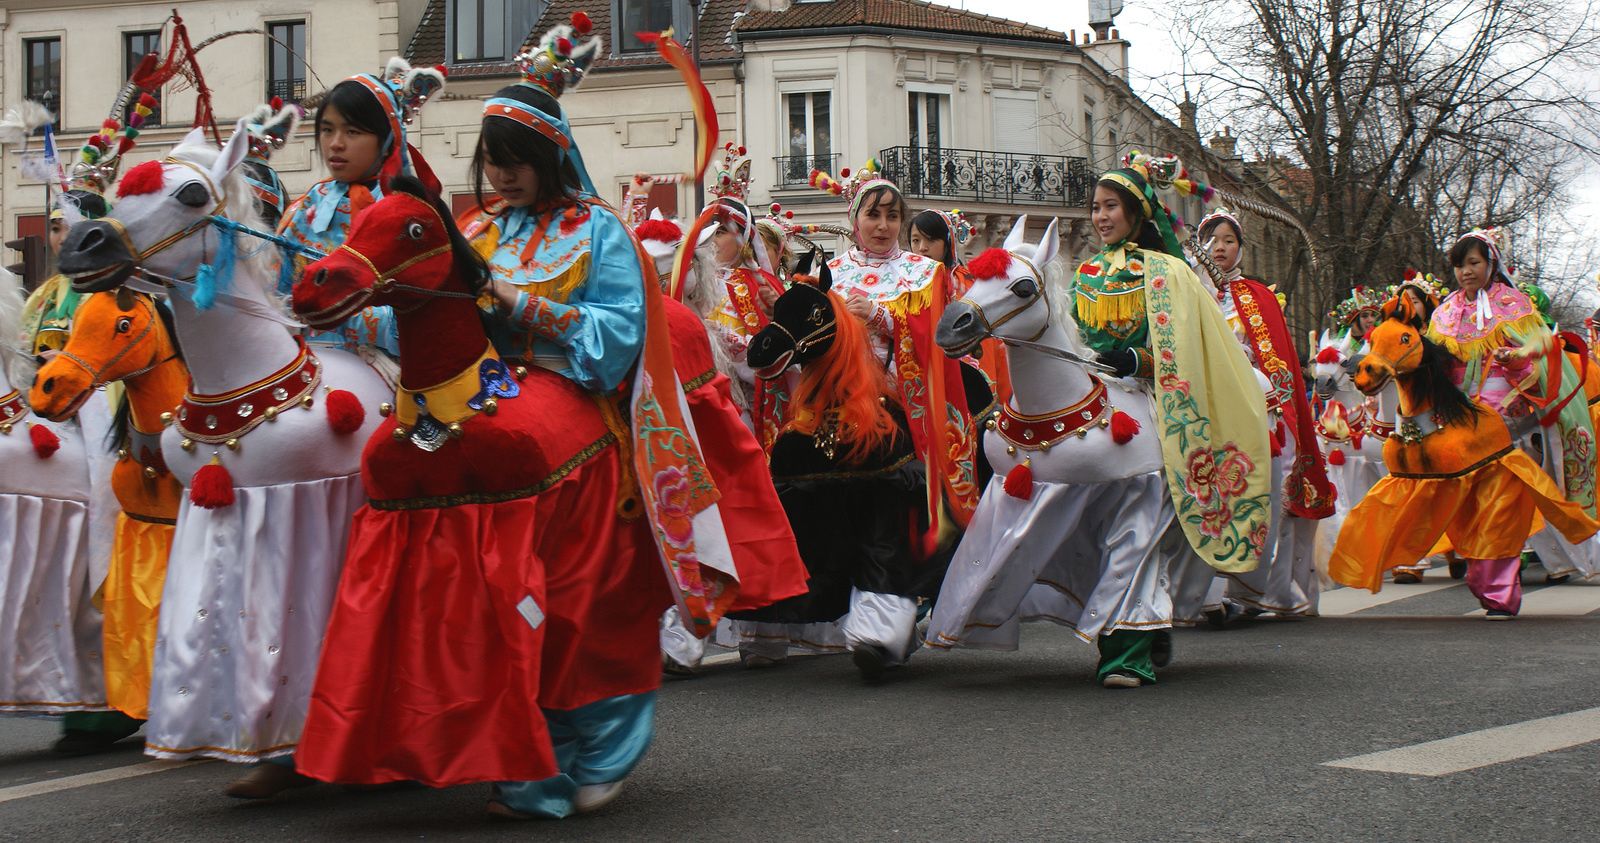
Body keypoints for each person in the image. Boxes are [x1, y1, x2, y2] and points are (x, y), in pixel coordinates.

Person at [1077, 153, 1271, 684]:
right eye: (1095, 207)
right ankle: (1149, 623)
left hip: (1158, 408)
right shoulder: (1086, 273)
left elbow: (1187, 349)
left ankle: (1129, 648)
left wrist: (1138, 361)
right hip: (1100, 407)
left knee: (1139, 529)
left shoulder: (1169, 273)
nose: (1100, 217)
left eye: (1110, 206)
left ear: (1135, 212)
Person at [794, 161, 984, 676]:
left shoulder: (925, 274)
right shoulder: (831, 273)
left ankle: (882, 631)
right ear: (855, 218)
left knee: (890, 520)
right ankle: (857, 623)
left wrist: (881, 318)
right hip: (839, 413)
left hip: (904, 414)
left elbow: (941, 340)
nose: (882, 226)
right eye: (873, 215)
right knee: (844, 518)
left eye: (892, 216)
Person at [1425, 228, 1598, 614]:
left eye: (1474, 263)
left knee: (1500, 511)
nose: (1466, 272)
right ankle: (1484, 578)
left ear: (1491, 264)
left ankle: (1501, 591)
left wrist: (1515, 361)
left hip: (1508, 429)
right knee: (1470, 512)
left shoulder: (1514, 305)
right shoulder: (1444, 313)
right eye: (1460, 265)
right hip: (1461, 430)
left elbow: (1541, 365)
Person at [1194, 208, 1335, 622]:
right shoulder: (1189, 293)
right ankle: (1208, 594)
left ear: (1240, 248)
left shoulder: (1258, 297)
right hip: (1207, 411)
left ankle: (1267, 591)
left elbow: (1279, 362)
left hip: (1260, 411)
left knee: (1269, 498)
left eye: (1228, 240)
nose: (1219, 248)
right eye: (1211, 240)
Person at [277, 59, 445, 362]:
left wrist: (330, 310)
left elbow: (419, 318)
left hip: (385, 366)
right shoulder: (307, 206)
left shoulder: (407, 213)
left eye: (352, 132)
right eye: (327, 130)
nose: (335, 144)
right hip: (303, 363)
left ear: (387, 138)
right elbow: (276, 291)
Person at [910, 207, 1009, 406]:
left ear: (948, 242)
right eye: (915, 240)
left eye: (931, 240)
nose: (922, 248)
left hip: (970, 376)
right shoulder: (905, 284)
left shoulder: (970, 284)